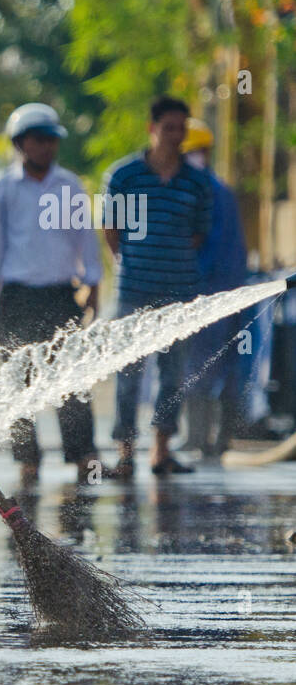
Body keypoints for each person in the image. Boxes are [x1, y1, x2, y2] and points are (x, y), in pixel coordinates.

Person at [0, 102, 105, 488]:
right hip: (16, 297)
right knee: (18, 383)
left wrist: (93, 287)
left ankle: (83, 454)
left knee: (72, 378)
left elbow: (86, 239)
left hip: (60, 297)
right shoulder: (3, 188)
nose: (46, 147)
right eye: (38, 140)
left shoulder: (69, 185)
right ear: (20, 143)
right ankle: (27, 461)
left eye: (51, 140)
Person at [103, 96, 213, 478]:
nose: (175, 136)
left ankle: (161, 452)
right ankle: (125, 452)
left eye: (181, 129)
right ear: (152, 129)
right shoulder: (124, 176)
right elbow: (111, 230)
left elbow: (199, 233)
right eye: (168, 127)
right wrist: (136, 262)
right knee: (128, 372)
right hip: (134, 290)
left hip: (180, 293)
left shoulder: (198, 183)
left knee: (173, 375)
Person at [180, 118, 248, 457]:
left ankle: (200, 439)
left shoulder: (200, 189)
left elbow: (206, 246)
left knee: (199, 365)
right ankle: (217, 441)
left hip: (207, 293)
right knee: (225, 365)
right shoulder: (221, 188)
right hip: (232, 291)